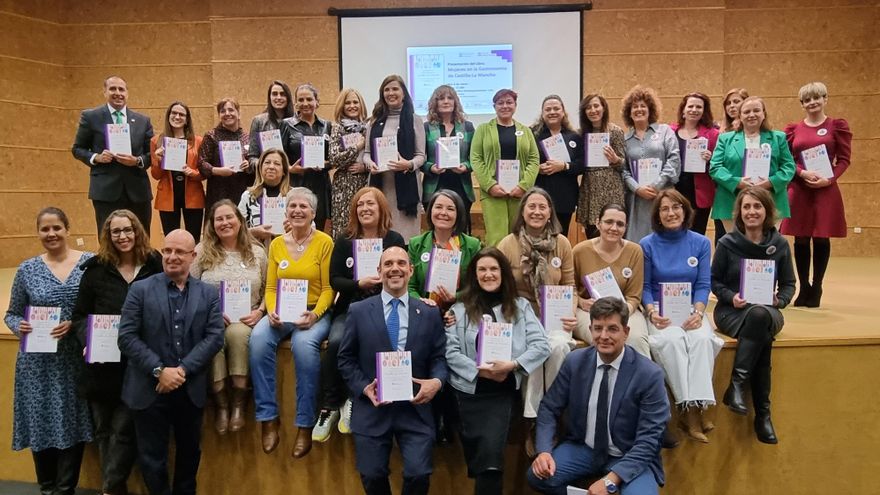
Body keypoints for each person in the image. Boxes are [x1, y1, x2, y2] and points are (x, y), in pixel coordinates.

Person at [117, 228, 224, 495]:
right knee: (152, 459)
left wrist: (181, 371)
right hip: (148, 389)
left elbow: (214, 337)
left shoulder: (209, 293)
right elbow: (127, 337)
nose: (172, 256)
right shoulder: (139, 290)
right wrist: (159, 371)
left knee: (189, 456)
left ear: (193, 256)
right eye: (167, 250)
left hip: (190, 389)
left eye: (179, 252)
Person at [527, 297, 668, 495]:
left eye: (612, 328)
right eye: (598, 328)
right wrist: (544, 451)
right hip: (585, 448)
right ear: (590, 330)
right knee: (537, 476)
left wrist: (611, 480)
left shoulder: (649, 374)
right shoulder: (575, 361)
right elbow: (549, 407)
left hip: (630, 455)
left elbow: (650, 440)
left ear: (626, 332)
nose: (604, 336)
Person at [337, 246, 448, 495]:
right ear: (379, 271)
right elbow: (345, 359)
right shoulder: (359, 311)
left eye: (400, 263)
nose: (394, 268)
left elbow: (439, 358)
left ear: (410, 270)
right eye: (388, 264)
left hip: (415, 408)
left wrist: (436, 383)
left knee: (419, 474)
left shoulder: (429, 313)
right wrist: (364, 388)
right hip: (373, 408)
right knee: (372, 475)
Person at [446, 247, 550, 495]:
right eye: (482, 269)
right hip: (466, 393)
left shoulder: (521, 307)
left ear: (503, 273)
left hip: (501, 393)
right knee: (482, 460)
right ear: (474, 275)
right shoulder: (458, 310)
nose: (488, 274)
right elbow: (450, 352)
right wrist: (479, 371)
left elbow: (542, 346)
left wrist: (513, 365)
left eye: (494, 269)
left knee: (491, 462)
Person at [5, 207, 94, 495]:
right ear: (38, 233)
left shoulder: (90, 264)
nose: (51, 234)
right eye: (45, 229)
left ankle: (65, 489)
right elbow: (12, 314)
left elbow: (102, 306)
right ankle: (47, 489)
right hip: (37, 363)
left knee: (72, 421)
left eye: (56, 227)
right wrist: (22, 327)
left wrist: (78, 325)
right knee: (41, 421)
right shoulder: (27, 269)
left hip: (74, 358)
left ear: (68, 229)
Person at [72, 209, 162, 495]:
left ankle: (109, 488)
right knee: (103, 431)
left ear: (137, 231)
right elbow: (79, 315)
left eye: (128, 230)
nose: (123, 236)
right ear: (108, 236)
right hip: (101, 364)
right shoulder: (95, 270)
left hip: (137, 364)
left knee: (124, 429)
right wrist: (87, 337)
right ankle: (115, 486)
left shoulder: (154, 265)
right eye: (116, 232)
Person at [249, 187, 335, 458]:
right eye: (293, 206)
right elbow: (272, 288)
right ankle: (268, 418)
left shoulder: (324, 242)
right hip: (281, 310)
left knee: (304, 347)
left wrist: (314, 315)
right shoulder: (276, 244)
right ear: (286, 211)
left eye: (304, 207)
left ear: (313, 213)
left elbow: (328, 289)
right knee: (259, 340)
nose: (298, 210)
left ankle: (304, 424)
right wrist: (271, 311)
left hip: (313, 311)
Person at [319, 187, 406, 442]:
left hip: (385, 310)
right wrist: (359, 284)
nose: (365, 209)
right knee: (336, 342)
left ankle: (357, 399)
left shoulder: (394, 240)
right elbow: (334, 280)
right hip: (350, 308)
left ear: (381, 209)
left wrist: (383, 281)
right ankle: (330, 405)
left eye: (371, 204)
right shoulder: (344, 240)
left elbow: (401, 276)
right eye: (360, 205)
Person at [711, 187, 795, 444]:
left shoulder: (779, 244)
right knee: (761, 332)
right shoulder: (727, 242)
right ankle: (763, 416)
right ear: (739, 211)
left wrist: (778, 300)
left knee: (759, 317)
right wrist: (730, 297)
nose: (751, 212)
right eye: (746, 207)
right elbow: (714, 282)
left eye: (757, 206)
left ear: (767, 211)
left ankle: (737, 385)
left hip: (767, 310)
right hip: (731, 311)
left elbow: (790, 284)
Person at [496, 187, 576, 457]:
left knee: (559, 347)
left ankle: (548, 414)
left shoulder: (562, 243)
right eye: (532, 206)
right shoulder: (508, 243)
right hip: (520, 314)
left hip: (554, 312)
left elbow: (570, 285)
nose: (537, 211)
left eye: (543, 207)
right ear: (523, 211)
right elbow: (499, 287)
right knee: (533, 350)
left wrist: (571, 311)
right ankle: (534, 422)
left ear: (550, 211)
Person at [640, 190, 723, 444]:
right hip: (660, 311)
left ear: (685, 210)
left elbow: (703, 283)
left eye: (676, 207)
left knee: (702, 341)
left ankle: (698, 405)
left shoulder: (700, 242)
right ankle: (689, 412)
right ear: (658, 215)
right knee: (673, 342)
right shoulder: (647, 244)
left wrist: (699, 312)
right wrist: (652, 312)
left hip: (690, 309)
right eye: (664, 209)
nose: (671, 213)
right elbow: (644, 286)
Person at [407, 189, 481, 443]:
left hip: (458, 312)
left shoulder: (471, 245)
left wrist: (455, 299)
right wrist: (422, 301)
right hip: (424, 313)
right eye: (439, 207)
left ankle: (452, 416)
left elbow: (477, 285)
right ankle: (428, 414)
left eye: (450, 208)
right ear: (430, 212)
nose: (444, 213)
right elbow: (409, 285)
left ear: (458, 214)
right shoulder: (418, 244)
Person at [191, 200, 267, 435]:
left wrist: (260, 311)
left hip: (246, 318)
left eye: (229, 217)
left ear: (240, 221)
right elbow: (189, 287)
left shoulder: (257, 252)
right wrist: (206, 314)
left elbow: (269, 288)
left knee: (237, 335)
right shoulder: (202, 251)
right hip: (210, 319)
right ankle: (221, 405)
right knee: (214, 342)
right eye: (219, 219)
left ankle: (238, 404)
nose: (224, 223)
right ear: (212, 225)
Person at [779, 82, 853, 308]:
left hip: (825, 189)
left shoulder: (836, 126)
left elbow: (844, 160)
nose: (812, 103)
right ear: (802, 104)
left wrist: (828, 179)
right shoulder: (793, 130)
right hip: (800, 189)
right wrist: (802, 173)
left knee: (821, 237)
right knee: (800, 238)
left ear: (825, 99)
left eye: (817, 98)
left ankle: (817, 285)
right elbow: (788, 160)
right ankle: (804, 287)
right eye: (807, 100)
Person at [72, 76, 154, 232]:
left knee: (141, 238)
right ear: (104, 92)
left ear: (127, 93)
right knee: (108, 239)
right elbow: (77, 149)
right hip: (105, 191)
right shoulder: (91, 117)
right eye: (113, 89)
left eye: (121, 89)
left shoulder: (143, 121)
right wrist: (96, 157)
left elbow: (151, 154)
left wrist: (137, 161)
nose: (118, 93)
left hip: (137, 191)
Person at [572, 204, 651, 358]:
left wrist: (622, 313)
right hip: (589, 311)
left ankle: (642, 381)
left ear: (625, 227)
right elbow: (570, 288)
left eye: (620, 224)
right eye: (608, 222)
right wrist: (581, 302)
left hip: (625, 310)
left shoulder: (635, 251)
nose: (614, 228)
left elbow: (634, 296)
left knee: (636, 339)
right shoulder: (580, 251)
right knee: (605, 338)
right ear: (598, 223)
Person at [709, 96, 796, 233]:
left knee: (767, 248)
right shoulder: (725, 139)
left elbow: (789, 167)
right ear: (740, 116)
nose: (752, 115)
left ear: (763, 114)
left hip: (771, 199)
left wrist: (771, 182)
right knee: (736, 247)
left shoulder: (778, 138)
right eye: (746, 112)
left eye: (756, 110)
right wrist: (737, 182)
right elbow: (715, 167)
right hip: (731, 201)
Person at [471, 88, 540, 246]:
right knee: (497, 238)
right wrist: (490, 185)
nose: (505, 106)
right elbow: (475, 158)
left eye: (509, 102)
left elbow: (534, 159)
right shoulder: (483, 129)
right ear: (494, 106)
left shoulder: (526, 131)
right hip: (492, 193)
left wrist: (524, 186)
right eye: (500, 103)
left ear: (515, 105)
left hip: (519, 193)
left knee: (519, 237)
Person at [362, 75, 426, 241]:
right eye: (387, 89)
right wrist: (370, 165)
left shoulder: (415, 120)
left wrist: (408, 164)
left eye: (395, 89)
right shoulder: (374, 121)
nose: (391, 93)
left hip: (407, 188)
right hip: (381, 186)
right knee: (381, 234)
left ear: (403, 93)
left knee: (406, 237)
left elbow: (421, 156)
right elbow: (367, 154)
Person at [620, 85, 681, 242]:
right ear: (629, 112)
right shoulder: (624, 139)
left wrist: (656, 185)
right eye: (634, 107)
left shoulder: (665, 131)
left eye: (643, 106)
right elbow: (623, 169)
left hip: (662, 194)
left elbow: (673, 159)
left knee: (664, 238)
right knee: (638, 242)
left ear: (650, 109)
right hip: (637, 199)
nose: (639, 109)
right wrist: (637, 188)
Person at [423, 85, 476, 233]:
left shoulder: (468, 127)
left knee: (461, 232)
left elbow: (475, 157)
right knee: (437, 231)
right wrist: (431, 167)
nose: (446, 101)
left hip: (461, 185)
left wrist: (465, 166)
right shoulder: (426, 128)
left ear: (455, 102)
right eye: (441, 98)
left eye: (450, 98)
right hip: (435, 185)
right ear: (435, 103)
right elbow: (420, 158)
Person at [150, 101, 205, 242]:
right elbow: (156, 176)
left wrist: (193, 172)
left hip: (193, 195)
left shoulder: (198, 141)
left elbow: (204, 172)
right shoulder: (157, 141)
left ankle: (194, 265)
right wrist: (159, 159)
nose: (177, 116)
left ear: (187, 119)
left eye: (181, 114)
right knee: (171, 239)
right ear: (168, 116)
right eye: (174, 113)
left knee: (194, 239)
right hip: (167, 196)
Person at [280, 83, 332, 232]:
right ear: (295, 103)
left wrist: (324, 164)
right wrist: (291, 169)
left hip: (321, 185)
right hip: (296, 184)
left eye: (309, 99)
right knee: (295, 228)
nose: (305, 103)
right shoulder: (286, 125)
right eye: (300, 100)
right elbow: (278, 157)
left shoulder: (327, 126)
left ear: (317, 101)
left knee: (319, 231)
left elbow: (333, 158)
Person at [530, 95, 584, 233]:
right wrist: (537, 169)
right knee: (538, 234)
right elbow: (524, 161)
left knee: (561, 235)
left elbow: (582, 164)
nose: (552, 112)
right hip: (540, 194)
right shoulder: (532, 135)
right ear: (542, 113)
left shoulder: (574, 136)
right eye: (548, 109)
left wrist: (564, 166)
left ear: (563, 112)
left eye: (556, 108)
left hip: (565, 197)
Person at [577, 93, 627, 239]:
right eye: (588, 107)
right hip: (590, 189)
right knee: (592, 234)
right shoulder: (581, 134)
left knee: (613, 229)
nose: (593, 110)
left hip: (611, 188)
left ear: (603, 108)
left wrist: (616, 159)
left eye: (596, 106)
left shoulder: (615, 131)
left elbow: (625, 165)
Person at [670, 92, 719, 236]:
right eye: (690, 106)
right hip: (675, 190)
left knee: (696, 233)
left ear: (704, 111)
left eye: (699, 107)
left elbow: (719, 165)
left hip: (700, 193)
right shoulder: (669, 132)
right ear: (683, 110)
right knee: (673, 231)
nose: (694, 110)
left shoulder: (713, 134)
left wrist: (710, 159)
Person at [328, 88, 370, 239]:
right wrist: (357, 147)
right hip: (343, 186)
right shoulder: (338, 128)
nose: (352, 106)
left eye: (355, 102)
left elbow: (379, 159)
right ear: (342, 106)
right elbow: (334, 159)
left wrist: (365, 167)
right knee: (344, 230)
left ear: (361, 104)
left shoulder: (369, 127)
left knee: (366, 228)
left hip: (366, 184)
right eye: (347, 103)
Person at [198, 97, 252, 210]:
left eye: (231, 110)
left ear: (239, 113)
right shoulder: (211, 136)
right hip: (217, 192)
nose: (227, 113)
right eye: (223, 111)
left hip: (240, 191)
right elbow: (201, 162)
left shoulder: (247, 138)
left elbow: (254, 167)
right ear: (219, 115)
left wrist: (248, 166)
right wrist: (217, 171)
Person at [238, 148, 292, 245]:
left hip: (288, 253)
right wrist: (253, 232)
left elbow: (311, 229)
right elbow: (236, 230)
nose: (271, 167)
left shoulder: (294, 196)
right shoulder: (248, 196)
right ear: (260, 168)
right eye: (267, 162)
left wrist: (296, 229)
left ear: (284, 170)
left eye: (277, 163)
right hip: (256, 253)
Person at [247, 80, 295, 171]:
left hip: (292, 178)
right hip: (267, 176)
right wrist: (266, 165)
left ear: (288, 97)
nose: (279, 97)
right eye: (274, 94)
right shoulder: (258, 121)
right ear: (269, 97)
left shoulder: (296, 122)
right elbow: (252, 157)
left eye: (282, 94)